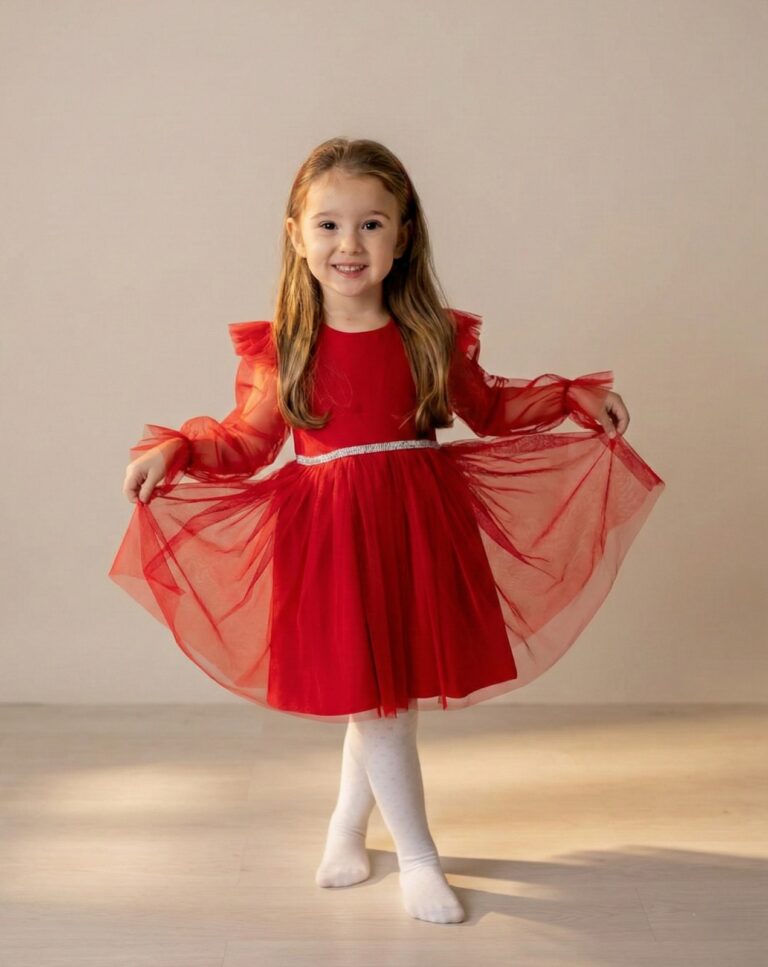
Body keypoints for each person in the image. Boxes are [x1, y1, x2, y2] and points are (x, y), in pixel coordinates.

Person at [108, 137, 665, 924]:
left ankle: (346, 828)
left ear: (403, 235)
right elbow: (245, 442)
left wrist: (573, 397)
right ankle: (417, 854)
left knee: (381, 695)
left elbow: (491, 407)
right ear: (296, 234)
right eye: (329, 224)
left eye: (371, 224)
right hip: (333, 540)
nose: (350, 243)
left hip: (416, 529)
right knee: (377, 704)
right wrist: (179, 450)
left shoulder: (425, 334)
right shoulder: (288, 349)